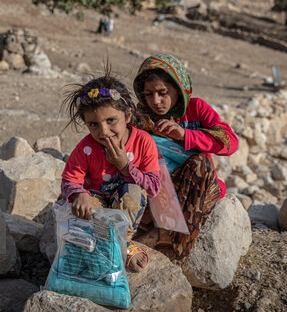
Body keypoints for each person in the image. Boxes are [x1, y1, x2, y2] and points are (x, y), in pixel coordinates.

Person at [133, 54, 238, 262]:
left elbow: (229, 142)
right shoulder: (141, 116)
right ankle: (153, 233)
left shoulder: (196, 109)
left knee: (200, 162)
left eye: (163, 93)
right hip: (158, 187)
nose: (156, 101)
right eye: (148, 94)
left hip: (196, 185)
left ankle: (176, 250)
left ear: (179, 88)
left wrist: (184, 135)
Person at [61, 68, 161, 273]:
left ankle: (120, 244)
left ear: (128, 115)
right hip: (96, 199)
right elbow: (69, 180)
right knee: (78, 207)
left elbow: (153, 188)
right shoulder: (86, 148)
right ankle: (112, 247)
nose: (103, 131)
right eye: (93, 124)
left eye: (111, 121)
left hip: (125, 209)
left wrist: (125, 166)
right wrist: (79, 193)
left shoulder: (143, 142)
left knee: (134, 191)